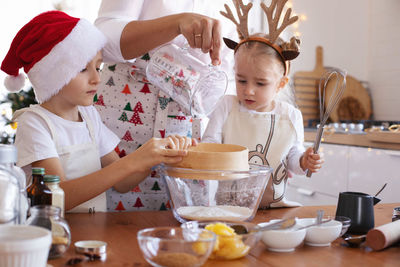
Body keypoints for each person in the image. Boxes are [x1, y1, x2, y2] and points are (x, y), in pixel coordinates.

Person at [1, 10, 195, 213]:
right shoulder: (34, 123)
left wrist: (158, 155)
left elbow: (123, 183)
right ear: (53, 75)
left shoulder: (89, 116)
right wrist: (133, 161)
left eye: (99, 67)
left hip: (93, 235)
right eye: (83, 69)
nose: (97, 79)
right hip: (54, 236)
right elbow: (58, 197)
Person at [94, 0, 236, 211]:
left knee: (181, 222)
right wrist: (176, 23)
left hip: (185, 124)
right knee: (108, 224)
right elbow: (102, 39)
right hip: (123, 114)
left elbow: (225, 72)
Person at [202, 0, 324, 208]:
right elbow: (210, 143)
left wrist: (304, 161)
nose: (248, 90)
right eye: (241, 80)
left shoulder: (290, 115)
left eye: (260, 83)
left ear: (280, 84)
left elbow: (292, 157)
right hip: (227, 208)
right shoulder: (226, 106)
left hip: (273, 209)